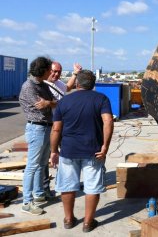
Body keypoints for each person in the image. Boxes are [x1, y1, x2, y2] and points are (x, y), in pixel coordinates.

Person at [50, 70, 114, 232]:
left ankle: (69, 219)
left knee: (67, 186)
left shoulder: (64, 101)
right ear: (93, 85)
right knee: (92, 187)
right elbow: (108, 121)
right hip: (94, 151)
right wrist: (105, 146)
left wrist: (53, 151)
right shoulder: (101, 98)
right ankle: (87, 222)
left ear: (77, 83)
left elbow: (56, 129)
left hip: (68, 150)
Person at [19, 56, 56, 215]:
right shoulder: (29, 86)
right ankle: (27, 201)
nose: (51, 72)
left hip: (46, 127)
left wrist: (49, 103)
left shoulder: (42, 85)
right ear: (43, 70)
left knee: (42, 164)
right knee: (32, 166)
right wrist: (49, 103)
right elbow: (41, 106)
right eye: (49, 70)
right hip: (37, 129)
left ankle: (39, 194)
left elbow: (53, 102)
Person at [42, 61, 82, 198]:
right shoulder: (43, 85)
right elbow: (49, 104)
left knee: (64, 154)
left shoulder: (58, 83)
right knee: (48, 156)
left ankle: (63, 182)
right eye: (53, 71)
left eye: (58, 72)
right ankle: (45, 188)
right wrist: (64, 104)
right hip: (50, 125)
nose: (56, 74)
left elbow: (68, 88)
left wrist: (75, 73)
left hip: (62, 125)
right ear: (48, 70)